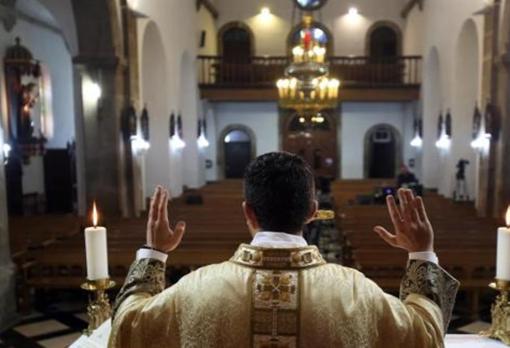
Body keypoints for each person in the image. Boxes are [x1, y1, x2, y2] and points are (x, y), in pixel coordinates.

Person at [109, 152, 459, 348]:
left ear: (248, 211)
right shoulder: (358, 293)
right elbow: (424, 338)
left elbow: (127, 331)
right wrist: (421, 254)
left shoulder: (195, 290)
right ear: (312, 211)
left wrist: (153, 255)